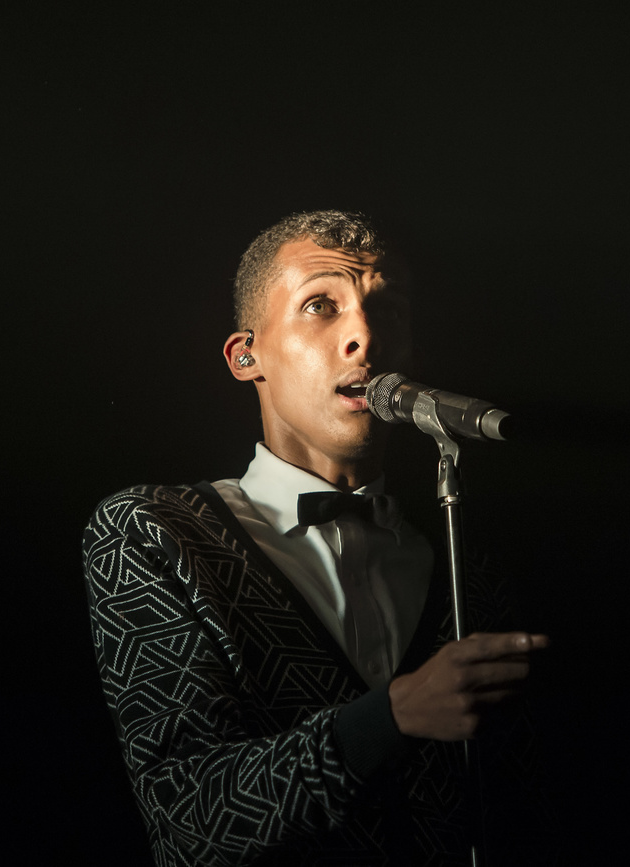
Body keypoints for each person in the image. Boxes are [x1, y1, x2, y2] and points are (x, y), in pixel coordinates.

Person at [82, 210, 549, 866]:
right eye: (321, 305)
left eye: (386, 310)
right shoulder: (158, 532)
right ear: (247, 355)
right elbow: (187, 815)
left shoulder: (463, 566)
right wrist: (391, 716)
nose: (363, 334)